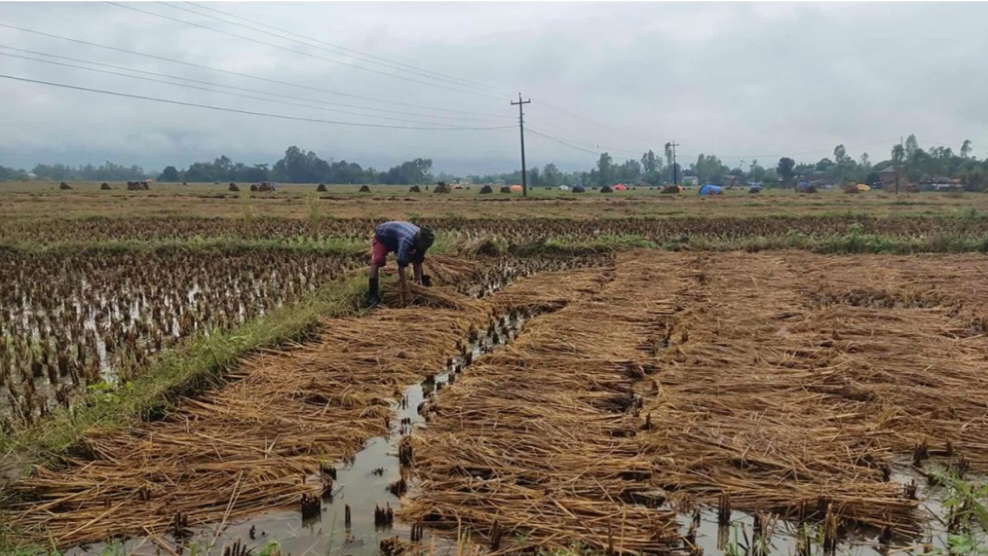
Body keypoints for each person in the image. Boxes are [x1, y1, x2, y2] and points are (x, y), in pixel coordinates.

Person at [367, 221, 436, 307]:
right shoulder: (407, 240)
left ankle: (422, 282)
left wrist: (419, 287)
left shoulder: (424, 240)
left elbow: (418, 262)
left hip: (397, 236)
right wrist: (407, 291)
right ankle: (372, 295)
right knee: (378, 261)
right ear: (418, 241)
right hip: (383, 237)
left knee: (416, 257)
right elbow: (401, 267)